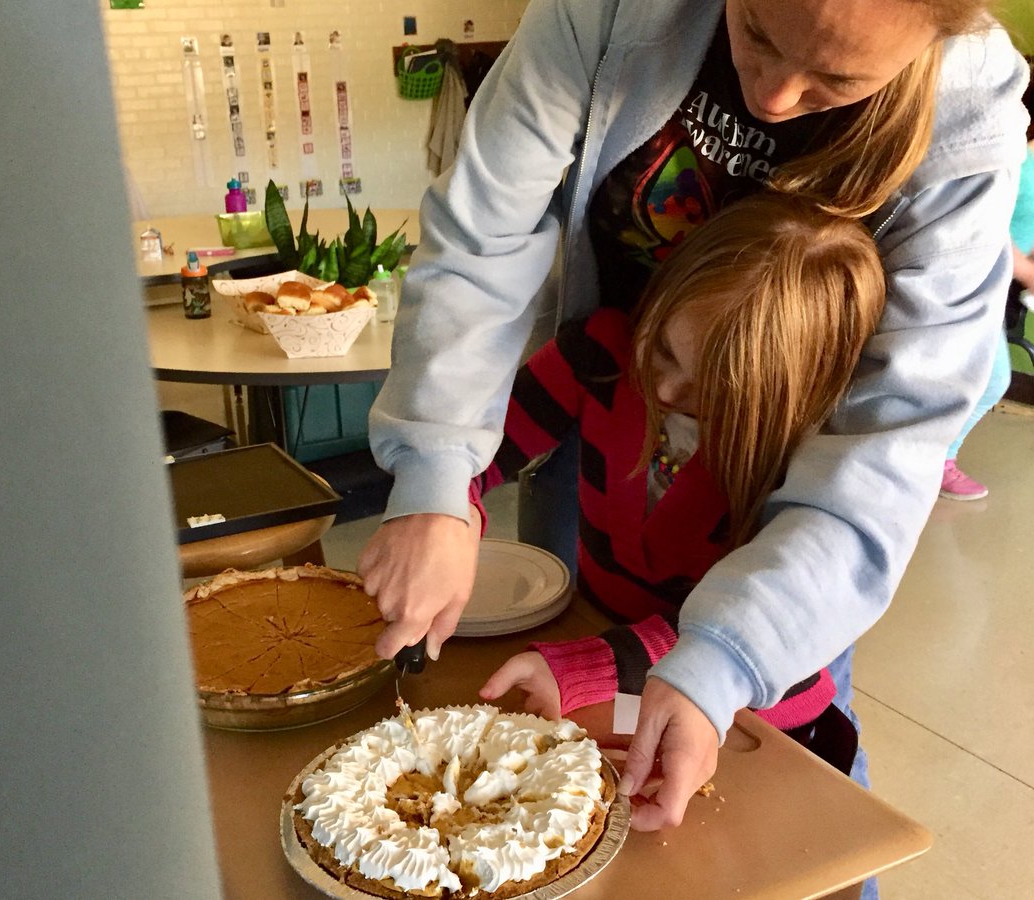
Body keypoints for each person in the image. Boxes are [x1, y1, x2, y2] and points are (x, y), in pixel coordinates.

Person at [359, 0, 1028, 853]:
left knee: (773, 797)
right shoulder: (611, 364)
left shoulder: (968, 120)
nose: (777, 99)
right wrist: (436, 480)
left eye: (837, 80)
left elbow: (884, 452)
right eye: (755, 32)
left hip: (780, 496)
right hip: (613, 453)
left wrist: (729, 657)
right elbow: (484, 234)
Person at [466, 192, 885, 783]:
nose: (663, 391)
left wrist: (597, 665)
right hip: (617, 648)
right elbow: (479, 448)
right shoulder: (601, 354)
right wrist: (447, 511)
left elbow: (764, 656)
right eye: (663, 349)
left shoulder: (797, 469)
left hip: (746, 709)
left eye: (710, 389)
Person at [941, 65, 1034, 500]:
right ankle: (937, 461)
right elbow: (991, 228)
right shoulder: (1015, 157)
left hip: (994, 286)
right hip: (967, 277)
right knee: (993, 380)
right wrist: (1027, 270)